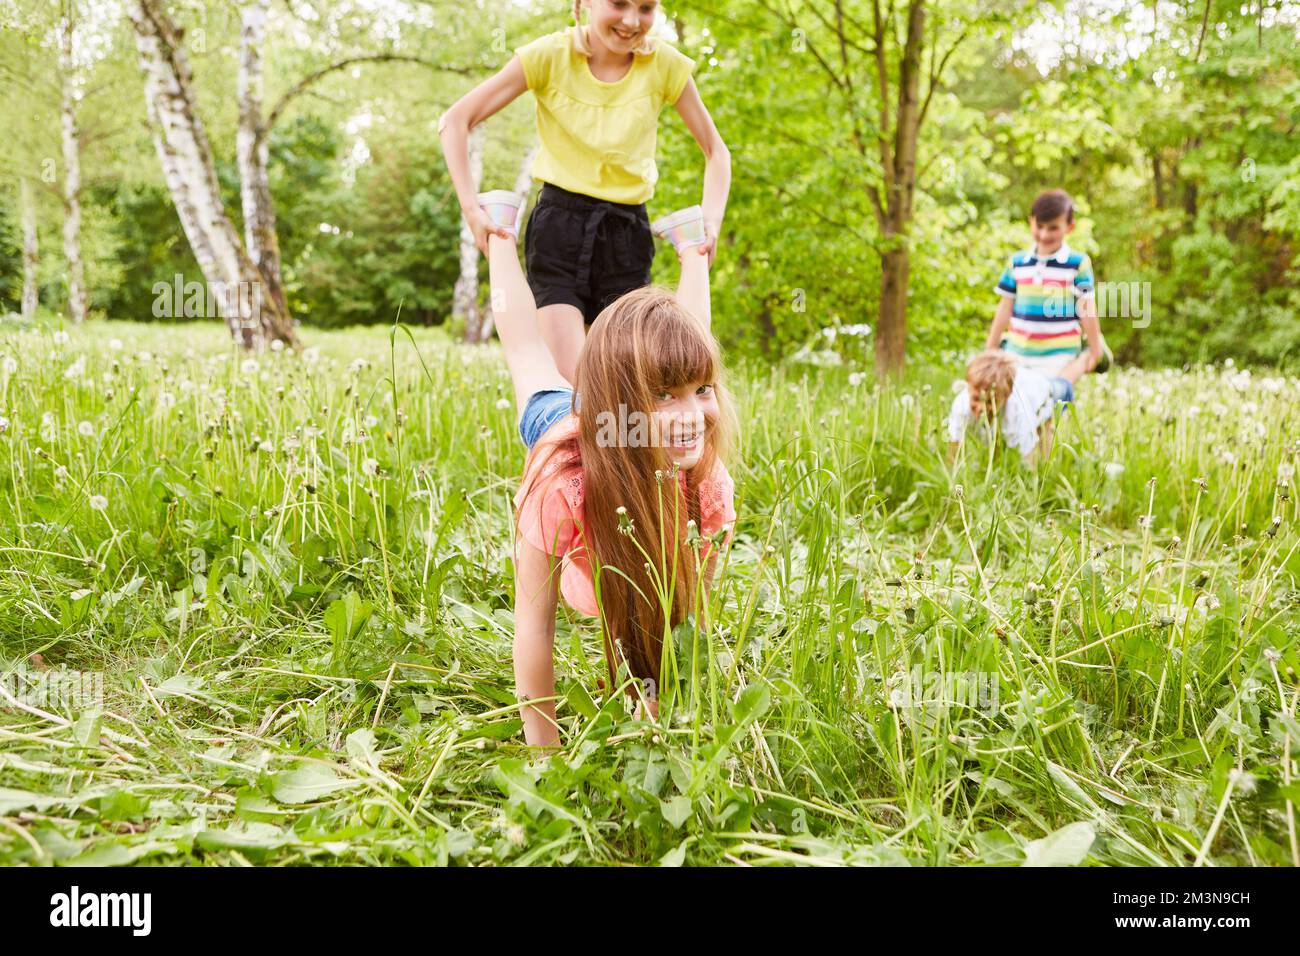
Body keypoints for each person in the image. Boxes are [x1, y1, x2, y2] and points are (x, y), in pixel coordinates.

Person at [478, 192, 737, 748]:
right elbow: (535, 627)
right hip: (573, 434)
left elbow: (688, 613)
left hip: (628, 439)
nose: (694, 416)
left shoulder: (706, 482)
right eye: (665, 396)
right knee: (527, 353)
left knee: (680, 347)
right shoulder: (560, 485)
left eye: (705, 391)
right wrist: (545, 754)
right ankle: (499, 235)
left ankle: (693, 249)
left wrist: (657, 694)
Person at [438, 0, 731, 385]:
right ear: (584, 3)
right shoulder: (547, 56)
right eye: (619, 3)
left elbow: (716, 151)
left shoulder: (665, 66)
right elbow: (456, 120)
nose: (631, 20)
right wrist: (471, 208)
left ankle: (616, 446)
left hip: (627, 235)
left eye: (645, 8)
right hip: (560, 227)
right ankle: (561, 444)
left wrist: (711, 220)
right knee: (575, 380)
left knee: (623, 383)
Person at [983, 189, 1111, 375]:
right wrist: (990, 350)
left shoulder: (1077, 264)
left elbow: (1086, 309)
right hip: (1017, 353)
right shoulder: (1017, 263)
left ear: (1069, 227)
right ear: (1031, 222)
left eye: (1053, 228)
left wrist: (1095, 350)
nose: (1044, 235)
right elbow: (1005, 308)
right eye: (1039, 226)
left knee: (1052, 398)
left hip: (1058, 357)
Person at [948, 348, 1093, 460]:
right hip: (1025, 381)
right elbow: (954, 449)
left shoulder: (1018, 411)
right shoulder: (961, 405)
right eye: (975, 399)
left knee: (1063, 384)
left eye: (990, 401)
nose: (981, 408)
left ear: (1007, 396)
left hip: (1045, 391)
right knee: (999, 439)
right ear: (968, 388)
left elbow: (1029, 460)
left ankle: (1087, 355)